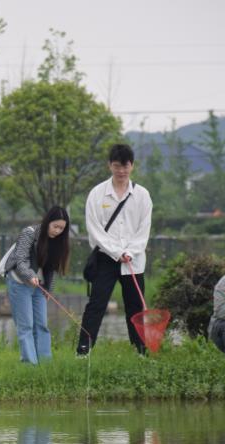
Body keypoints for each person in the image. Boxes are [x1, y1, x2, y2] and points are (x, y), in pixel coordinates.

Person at [77, 144, 154, 356]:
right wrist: (116, 252)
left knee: (135, 307)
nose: (121, 171)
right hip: (105, 259)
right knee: (96, 305)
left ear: (132, 166)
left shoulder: (142, 195)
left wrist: (130, 251)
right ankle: (83, 351)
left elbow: (144, 229)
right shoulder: (97, 194)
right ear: (109, 165)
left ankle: (140, 352)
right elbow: (94, 230)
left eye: (126, 166)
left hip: (133, 261)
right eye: (117, 166)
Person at [2, 206, 71, 364]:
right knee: (26, 326)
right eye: (55, 226)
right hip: (20, 283)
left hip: (40, 286)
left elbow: (53, 269)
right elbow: (20, 260)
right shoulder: (29, 233)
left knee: (42, 325)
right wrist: (30, 275)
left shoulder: (58, 241)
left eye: (61, 228)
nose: (57, 231)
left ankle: (45, 363)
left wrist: (49, 290)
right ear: (47, 222)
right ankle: (30, 364)